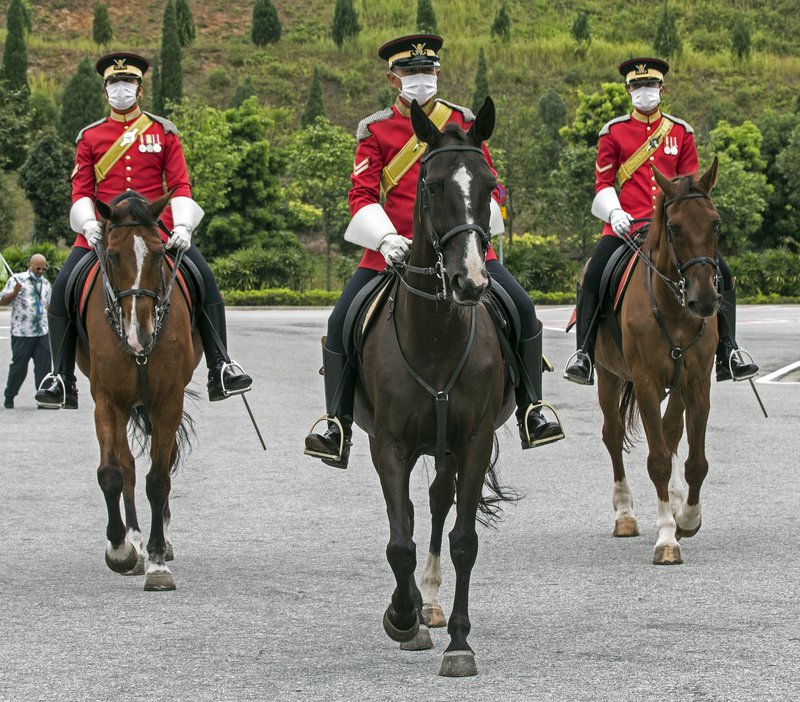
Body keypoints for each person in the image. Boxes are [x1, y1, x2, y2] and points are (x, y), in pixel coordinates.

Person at [304, 34, 565, 470]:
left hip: (462, 247)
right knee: (339, 323)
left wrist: (478, 235)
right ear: (394, 78)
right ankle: (338, 423)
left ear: (438, 73)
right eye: (409, 73)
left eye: (426, 72)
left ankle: (531, 409)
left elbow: (490, 185)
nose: (419, 80)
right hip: (393, 253)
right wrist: (386, 238)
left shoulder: (463, 123)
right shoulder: (376, 130)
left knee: (522, 309)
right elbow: (362, 194)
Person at [35, 52, 251, 409]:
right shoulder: (90, 137)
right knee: (61, 291)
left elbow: (180, 184)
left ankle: (220, 367)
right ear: (105, 90)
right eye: (114, 83)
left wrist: (182, 225)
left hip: (157, 232)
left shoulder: (162, 132)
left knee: (205, 281)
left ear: (140, 87)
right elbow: (81, 190)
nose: (122, 88)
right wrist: (89, 223)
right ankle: (61, 377)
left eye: (128, 82)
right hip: (103, 234)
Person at [563, 56, 758, 386]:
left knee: (721, 271)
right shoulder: (613, 132)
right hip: (625, 226)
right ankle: (584, 353)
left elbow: (691, 185)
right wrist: (614, 213)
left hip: (672, 228)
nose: (644, 91)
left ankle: (728, 351)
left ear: (661, 88)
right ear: (628, 91)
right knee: (595, 273)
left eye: (650, 85)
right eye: (637, 85)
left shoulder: (680, 132)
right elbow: (602, 183)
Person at [1, 254, 52, 408]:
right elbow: (3, 301)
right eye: (38, 268)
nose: (41, 271)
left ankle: (43, 398)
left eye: (43, 269)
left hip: (42, 332)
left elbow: (47, 306)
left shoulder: (46, 284)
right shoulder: (17, 280)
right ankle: (9, 395)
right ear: (30, 265)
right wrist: (15, 292)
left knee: (44, 368)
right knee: (18, 368)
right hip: (22, 333)